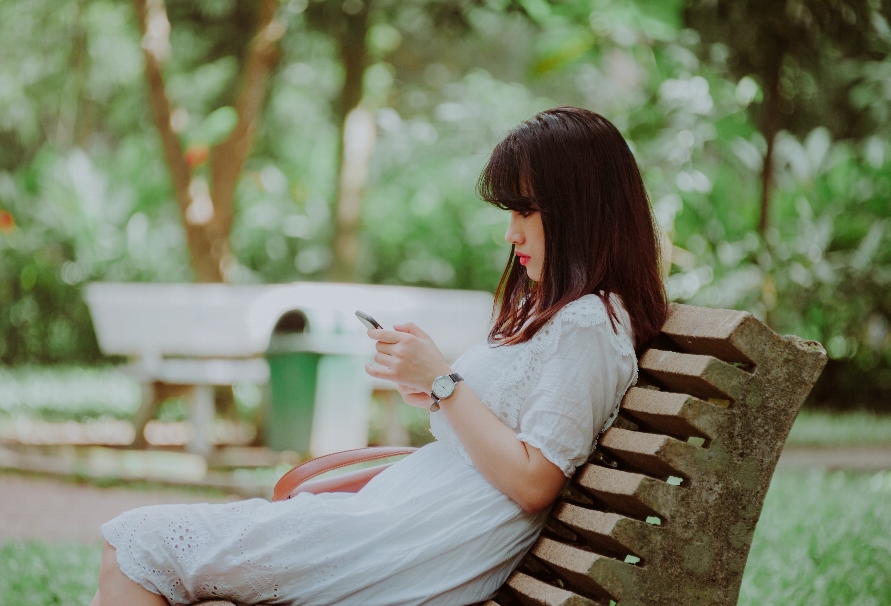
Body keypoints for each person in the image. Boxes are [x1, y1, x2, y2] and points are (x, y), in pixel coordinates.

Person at [91, 106, 668, 606]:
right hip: (399, 521)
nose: (511, 234)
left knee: (134, 542)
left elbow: (534, 479)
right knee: (132, 548)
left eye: (527, 212)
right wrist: (434, 391)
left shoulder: (589, 323)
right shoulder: (564, 314)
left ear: (581, 211)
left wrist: (444, 382)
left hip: (417, 543)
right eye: (510, 213)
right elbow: (502, 433)